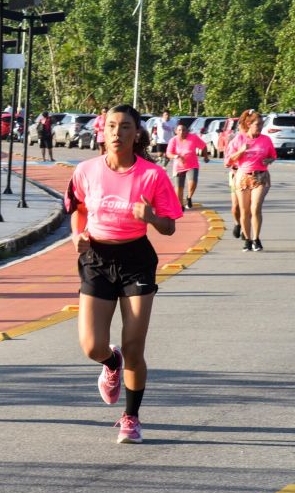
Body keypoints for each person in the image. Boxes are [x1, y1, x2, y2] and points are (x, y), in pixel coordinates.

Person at [65, 104, 183, 444]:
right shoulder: (86, 170)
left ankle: (131, 417)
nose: (117, 133)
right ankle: (110, 362)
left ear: (137, 134)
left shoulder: (152, 175)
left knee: (135, 346)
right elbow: (78, 209)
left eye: (125, 127)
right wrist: (78, 235)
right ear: (103, 132)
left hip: (136, 259)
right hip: (97, 258)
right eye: (112, 126)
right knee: (91, 346)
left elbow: (170, 227)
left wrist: (150, 216)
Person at [226, 109, 276, 252]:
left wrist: (269, 160)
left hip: (260, 176)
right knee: (244, 210)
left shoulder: (266, 139)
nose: (260, 127)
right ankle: (247, 239)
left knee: (256, 208)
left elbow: (273, 155)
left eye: (261, 124)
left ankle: (256, 239)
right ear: (249, 124)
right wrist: (242, 150)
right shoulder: (239, 139)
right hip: (243, 176)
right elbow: (229, 160)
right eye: (257, 124)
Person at [166, 122, 208, 210]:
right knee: (179, 187)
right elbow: (168, 153)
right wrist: (176, 156)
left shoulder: (193, 137)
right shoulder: (173, 140)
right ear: (176, 131)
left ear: (187, 131)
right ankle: (180, 205)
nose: (182, 132)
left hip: (192, 165)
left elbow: (204, 146)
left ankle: (189, 197)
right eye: (179, 130)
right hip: (178, 166)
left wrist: (205, 156)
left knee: (193, 182)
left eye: (184, 130)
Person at [221, 117, 246, 239]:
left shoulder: (258, 140)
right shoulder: (234, 140)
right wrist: (241, 152)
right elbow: (227, 162)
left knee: (248, 206)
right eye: (243, 125)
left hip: (251, 176)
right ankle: (237, 223)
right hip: (235, 174)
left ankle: (246, 230)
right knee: (235, 206)